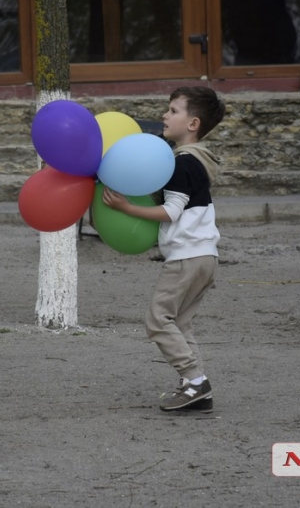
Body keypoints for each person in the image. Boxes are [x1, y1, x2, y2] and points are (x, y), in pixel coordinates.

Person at [102, 86, 223, 412]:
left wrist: (127, 209)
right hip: (205, 255)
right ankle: (195, 390)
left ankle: (196, 380)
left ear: (193, 123)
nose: (165, 116)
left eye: (173, 110)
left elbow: (171, 212)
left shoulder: (183, 163)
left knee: (157, 321)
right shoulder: (196, 161)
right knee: (180, 325)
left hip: (187, 257)